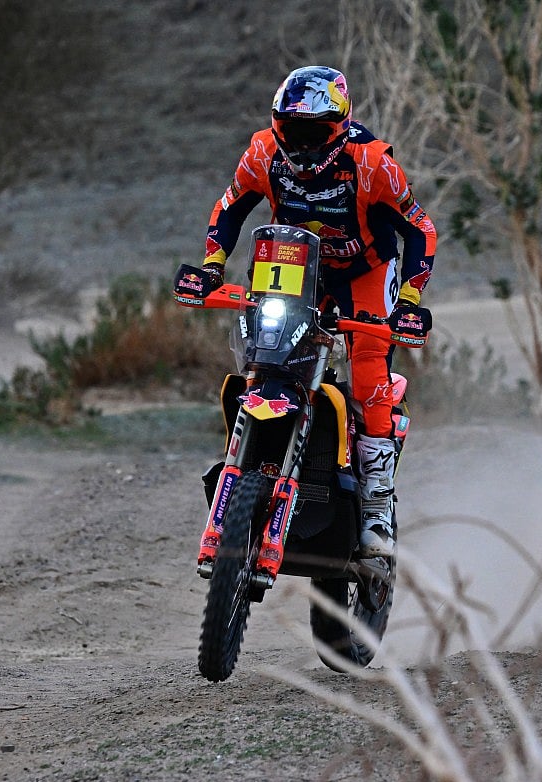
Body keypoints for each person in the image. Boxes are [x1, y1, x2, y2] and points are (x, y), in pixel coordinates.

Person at [176, 65, 436, 558]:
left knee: (368, 378)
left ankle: (377, 508)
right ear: (276, 127)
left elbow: (420, 228)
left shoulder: (373, 163)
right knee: (267, 354)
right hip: (295, 265)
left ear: (339, 128)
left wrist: (409, 301)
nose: (300, 146)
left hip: (367, 270)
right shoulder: (262, 152)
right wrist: (212, 267)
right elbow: (230, 207)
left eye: (313, 134)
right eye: (290, 132)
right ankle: (261, 459)